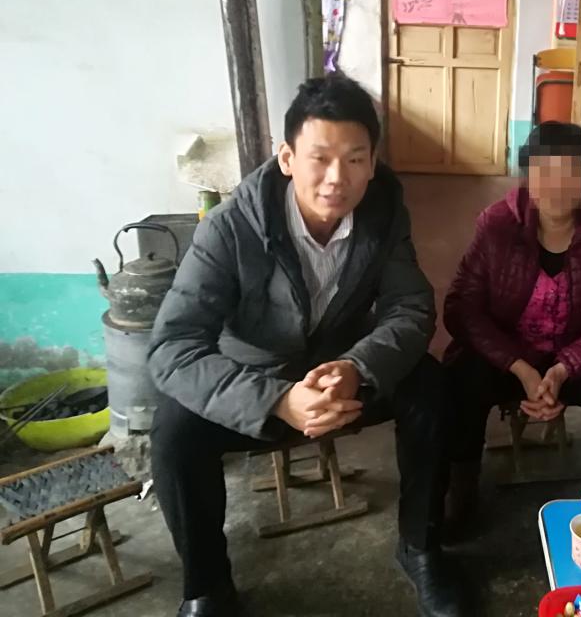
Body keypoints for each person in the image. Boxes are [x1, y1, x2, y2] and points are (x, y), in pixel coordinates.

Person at [148, 76, 463, 617]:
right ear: (288, 158)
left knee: (431, 385)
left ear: (372, 162)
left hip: (339, 379)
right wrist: (275, 399)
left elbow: (409, 308)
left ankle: (421, 548)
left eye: (355, 159)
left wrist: (357, 367)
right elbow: (173, 348)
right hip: (257, 382)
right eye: (320, 158)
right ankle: (206, 589)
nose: (337, 178)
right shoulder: (229, 229)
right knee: (175, 429)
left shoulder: (384, 213)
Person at [443, 122, 581, 532]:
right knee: (460, 377)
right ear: (527, 177)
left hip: (576, 363)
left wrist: (563, 368)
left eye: (570, 173)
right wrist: (520, 367)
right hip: (509, 360)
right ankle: (459, 486)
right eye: (544, 172)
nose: (557, 186)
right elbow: (462, 308)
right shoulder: (497, 225)